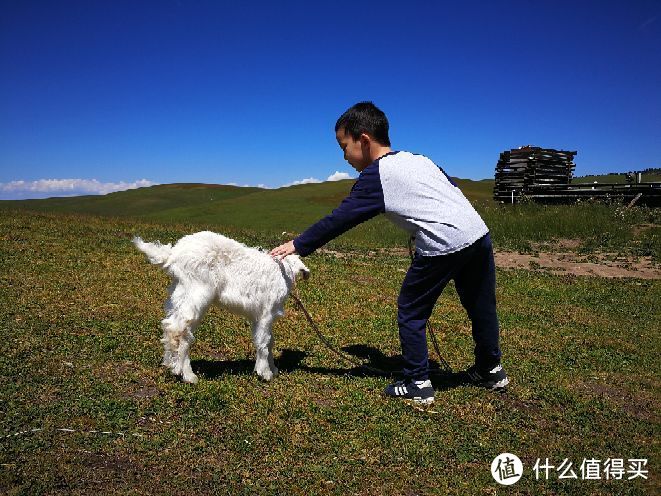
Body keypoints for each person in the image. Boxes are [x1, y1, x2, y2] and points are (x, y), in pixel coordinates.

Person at [270, 101, 507, 404]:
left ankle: (417, 383)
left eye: (344, 146)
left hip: (442, 244)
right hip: (478, 233)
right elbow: (449, 187)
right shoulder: (418, 159)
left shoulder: (376, 175)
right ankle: (491, 370)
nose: (344, 156)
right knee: (480, 306)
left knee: (411, 309)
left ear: (364, 140)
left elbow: (340, 219)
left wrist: (297, 245)